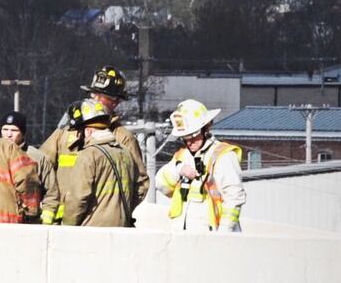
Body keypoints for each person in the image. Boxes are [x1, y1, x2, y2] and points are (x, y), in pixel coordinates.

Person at [155, 99, 246, 232]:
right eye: (185, 138)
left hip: (212, 234)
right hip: (182, 233)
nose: (189, 142)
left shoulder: (223, 156)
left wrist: (225, 231)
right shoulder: (182, 156)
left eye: (193, 136)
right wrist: (179, 169)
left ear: (206, 128)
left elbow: (234, 196)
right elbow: (161, 184)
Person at [62, 99, 141, 227]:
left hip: (92, 231)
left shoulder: (87, 156)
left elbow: (78, 198)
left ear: (88, 131)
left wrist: (66, 227)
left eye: (78, 132)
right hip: (122, 227)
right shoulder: (125, 152)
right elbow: (140, 188)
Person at [79, 65, 150, 204]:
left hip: (103, 222)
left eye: (103, 97)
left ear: (115, 102)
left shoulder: (124, 138)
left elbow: (141, 184)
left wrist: (120, 212)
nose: (95, 99)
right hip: (66, 221)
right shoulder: (67, 132)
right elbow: (45, 166)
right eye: (93, 94)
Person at [0, 111, 61, 225]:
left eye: (14, 130)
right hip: (2, 220)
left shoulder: (37, 158)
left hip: (30, 222)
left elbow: (52, 193)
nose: (8, 134)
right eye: (5, 129)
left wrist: (45, 222)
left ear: (23, 133)